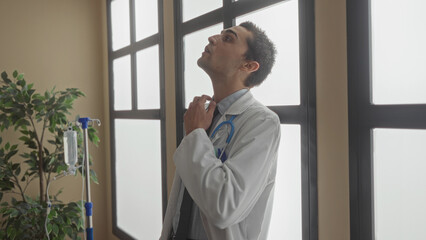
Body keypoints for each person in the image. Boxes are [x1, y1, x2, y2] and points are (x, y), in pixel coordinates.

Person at [160, 21, 280, 240]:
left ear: (249, 66)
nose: (212, 38)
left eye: (228, 38)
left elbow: (224, 207)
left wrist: (196, 134)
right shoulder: (203, 115)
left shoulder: (263, 122)